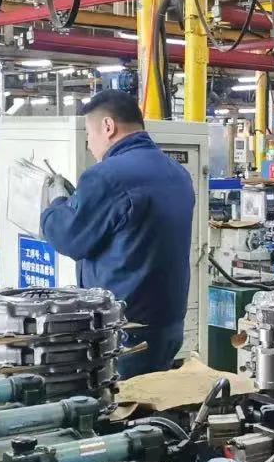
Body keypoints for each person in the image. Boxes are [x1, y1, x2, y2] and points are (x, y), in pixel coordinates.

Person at [40, 90, 196, 378]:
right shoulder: (177, 173)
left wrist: (56, 203)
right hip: (168, 324)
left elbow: (69, 238)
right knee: (152, 398)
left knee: (117, 402)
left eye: (89, 134)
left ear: (108, 126)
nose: (89, 145)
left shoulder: (106, 175)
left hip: (124, 329)